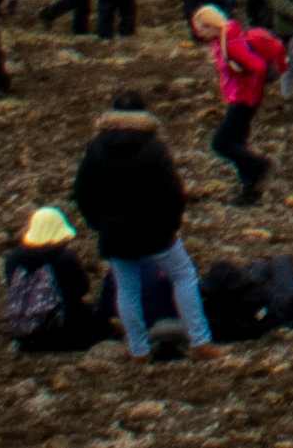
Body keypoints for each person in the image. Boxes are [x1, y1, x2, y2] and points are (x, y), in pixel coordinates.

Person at [73, 88, 213, 359]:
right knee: (183, 276)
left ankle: (138, 349)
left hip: (115, 233)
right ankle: (200, 341)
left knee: (127, 289)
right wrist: (171, 225)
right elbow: (173, 191)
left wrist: (99, 224)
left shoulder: (96, 148)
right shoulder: (154, 147)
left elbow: (82, 192)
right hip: (157, 231)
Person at [191, 4, 283, 204]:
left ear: (210, 25)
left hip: (244, 98)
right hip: (242, 97)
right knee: (237, 142)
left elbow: (257, 66)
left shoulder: (230, 42)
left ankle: (260, 166)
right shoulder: (224, 39)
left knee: (221, 143)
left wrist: (243, 78)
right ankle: (250, 190)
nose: (199, 35)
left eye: (201, 29)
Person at [2, 204, 107, 354]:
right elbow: (82, 288)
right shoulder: (64, 258)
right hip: (61, 331)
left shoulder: (13, 258)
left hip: (24, 332)